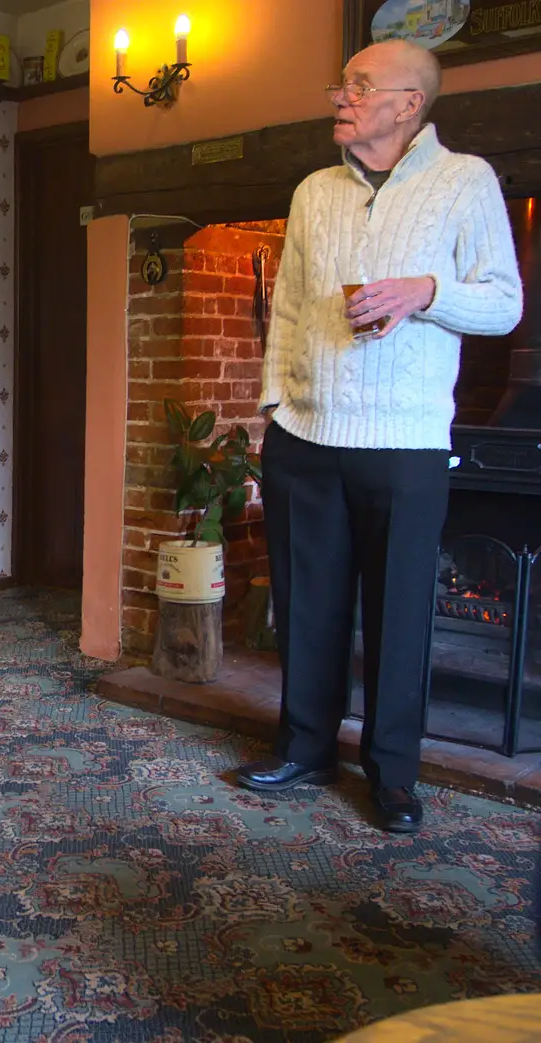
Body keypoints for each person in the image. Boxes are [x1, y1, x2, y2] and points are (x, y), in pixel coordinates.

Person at [234, 40, 521, 833]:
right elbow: (288, 306)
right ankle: (306, 747)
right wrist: (274, 403)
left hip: (405, 440)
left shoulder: (465, 183)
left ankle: (392, 772)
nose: (341, 98)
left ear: (409, 104)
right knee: (307, 605)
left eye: (360, 87)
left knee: (399, 615)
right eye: (343, 84)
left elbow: (503, 304)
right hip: (306, 432)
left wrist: (425, 291)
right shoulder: (314, 190)